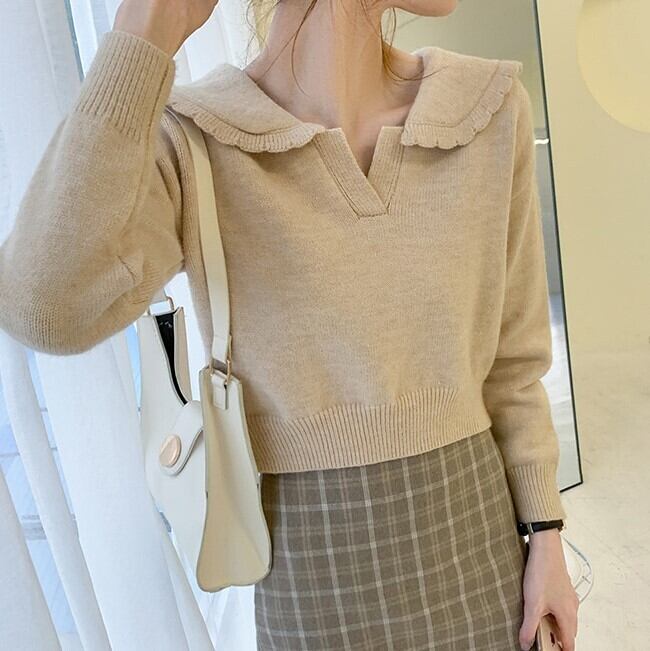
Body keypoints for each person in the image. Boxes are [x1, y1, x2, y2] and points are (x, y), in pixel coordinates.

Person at [0, 0, 579, 649]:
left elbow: (513, 365)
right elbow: (42, 308)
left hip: (480, 554)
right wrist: (142, 35)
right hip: (309, 578)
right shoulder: (198, 141)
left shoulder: (486, 109)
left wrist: (546, 536)